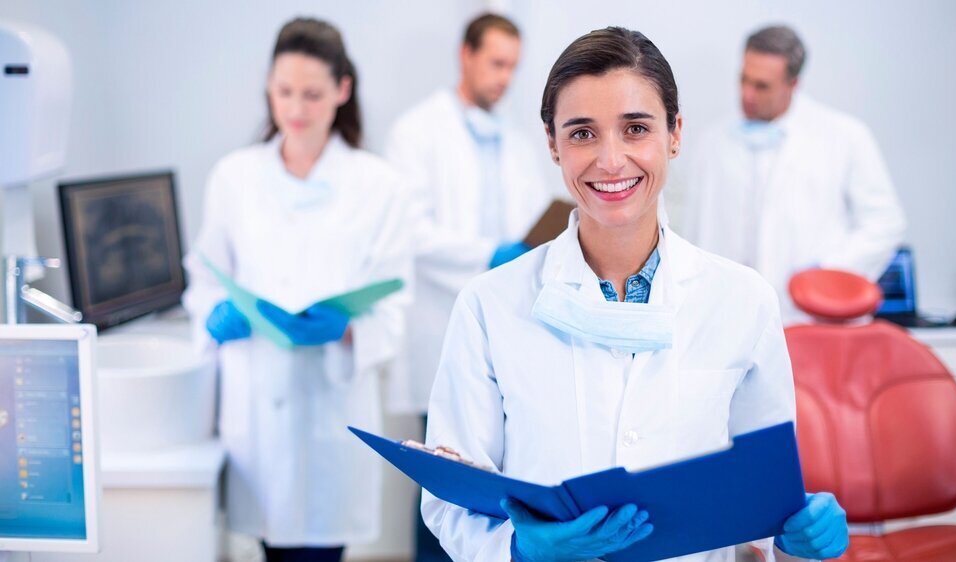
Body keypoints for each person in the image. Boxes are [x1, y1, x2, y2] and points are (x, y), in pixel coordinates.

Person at [422, 27, 849, 562]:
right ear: (552, 145)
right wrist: (516, 548)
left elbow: (765, 495)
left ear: (674, 133)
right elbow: (449, 497)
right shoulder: (488, 305)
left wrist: (795, 527)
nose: (611, 159)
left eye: (636, 128)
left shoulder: (743, 301)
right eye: (582, 133)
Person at [182, 18, 410, 562]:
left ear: (342, 90)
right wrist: (215, 312)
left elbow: (396, 305)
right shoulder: (233, 177)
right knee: (266, 541)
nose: (297, 108)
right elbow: (206, 274)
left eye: (312, 94)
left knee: (319, 547)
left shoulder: (379, 186)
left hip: (330, 406)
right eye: (284, 92)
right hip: (256, 405)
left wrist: (349, 327)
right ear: (268, 87)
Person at [382, 13, 550, 560]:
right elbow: (410, 231)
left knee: (495, 470)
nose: (505, 78)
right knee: (443, 474)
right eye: (497, 63)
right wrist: (488, 254)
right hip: (440, 326)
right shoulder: (416, 132)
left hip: (508, 329)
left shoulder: (519, 141)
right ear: (466, 55)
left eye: (513, 68)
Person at [684, 25, 906, 321]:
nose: (747, 95)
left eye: (762, 86)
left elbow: (885, 223)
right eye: (743, 80)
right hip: (729, 316)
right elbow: (695, 233)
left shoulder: (845, 137)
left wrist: (828, 270)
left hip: (810, 317)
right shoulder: (713, 142)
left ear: (793, 83)